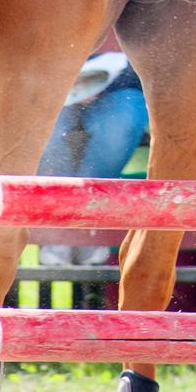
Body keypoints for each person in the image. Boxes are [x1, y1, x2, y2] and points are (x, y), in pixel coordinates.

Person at [37, 50, 149, 267]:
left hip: (121, 83)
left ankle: (82, 222)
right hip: (48, 80)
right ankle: (63, 225)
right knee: (47, 131)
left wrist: (103, 81)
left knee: (120, 126)